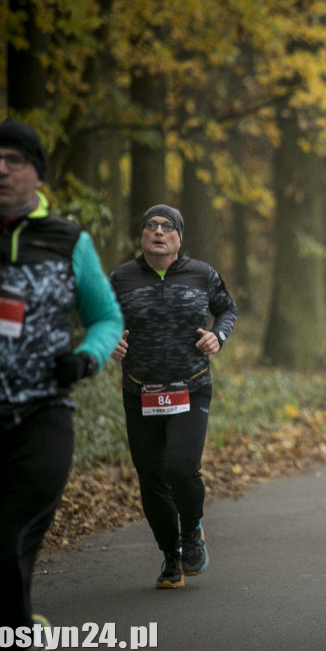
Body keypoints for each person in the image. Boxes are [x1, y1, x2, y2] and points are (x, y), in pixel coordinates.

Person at [0, 119, 123, 651]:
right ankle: (19, 630)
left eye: (15, 160)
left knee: (10, 546)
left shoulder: (68, 241)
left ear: (38, 174)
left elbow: (105, 317)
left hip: (42, 414)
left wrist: (88, 356)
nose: (2, 169)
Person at [109, 204, 237, 589]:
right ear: (142, 235)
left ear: (180, 237)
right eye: (151, 225)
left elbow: (227, 310)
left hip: (191, 385)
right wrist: (108, 339)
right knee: (151, 479)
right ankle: (170, 555)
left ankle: (192, 531)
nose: (158, 231)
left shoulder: (202, 274)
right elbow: (102, 317)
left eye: (167, 226)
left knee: (181, 468)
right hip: (140, 391)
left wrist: (219, 335)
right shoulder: (121, 278)